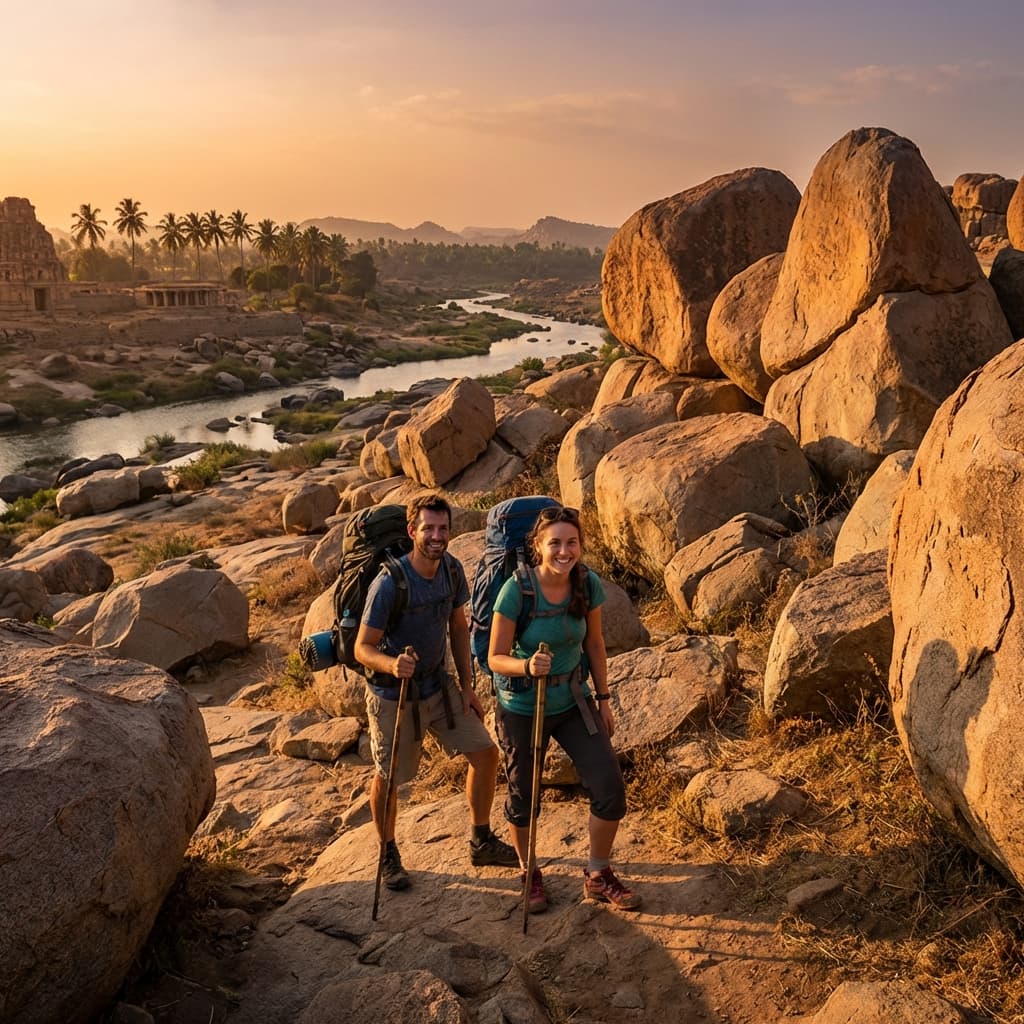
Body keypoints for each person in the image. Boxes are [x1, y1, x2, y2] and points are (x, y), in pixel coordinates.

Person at [355, 493, 518, 890]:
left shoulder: (450, 569)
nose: (437, 536)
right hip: (394, 696)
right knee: (390, 776)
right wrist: (392, 664)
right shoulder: (388, 583)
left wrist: (467, 687)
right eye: (428, 528)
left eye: (443, 528)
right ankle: (388, 852)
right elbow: (363, 647)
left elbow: (459, 627)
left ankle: (480, 838)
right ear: (412, 531)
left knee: (485, 752)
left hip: (438, 687)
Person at [487, 504, 641, 913]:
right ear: (538, 546)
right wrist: (524, 665)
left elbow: (594, 644)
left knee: (609, 788)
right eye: (554, 542)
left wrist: (604, 699)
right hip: (522, 705)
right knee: (525, 797)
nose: (564, 551)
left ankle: (597, 873)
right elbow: (494, 657)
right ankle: (528, 871)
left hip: (574, 701)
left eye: (571, 542)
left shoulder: (586, 583)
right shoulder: (516, 590)